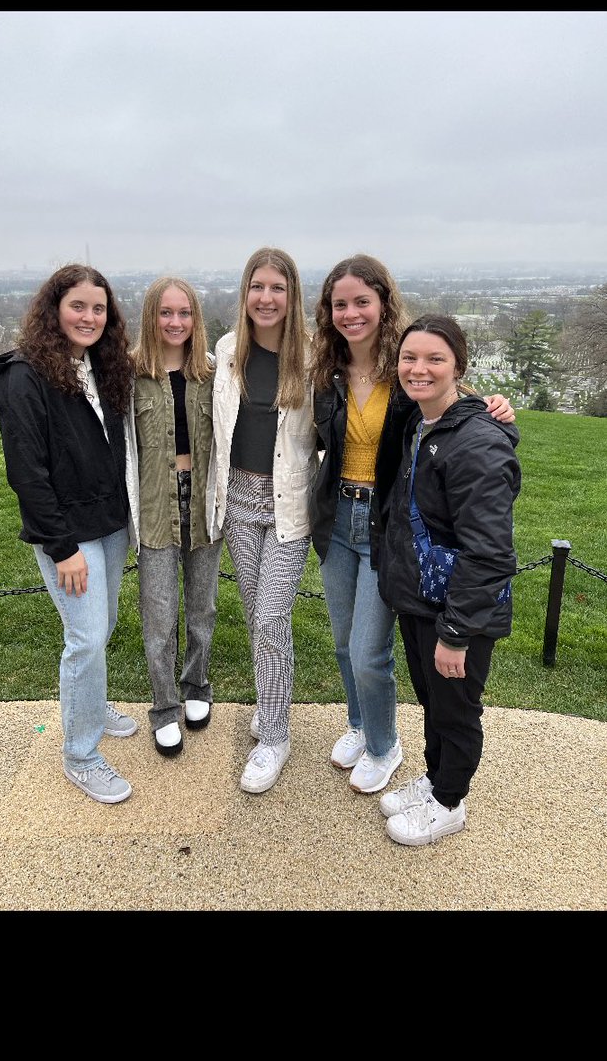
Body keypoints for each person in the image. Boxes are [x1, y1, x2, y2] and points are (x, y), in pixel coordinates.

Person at [309, 255, 515, 797]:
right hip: (337, 519)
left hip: (387, 523)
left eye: (362, 301)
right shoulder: (326, 372)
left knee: (367, 651)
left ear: (383, 303)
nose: (351, 313)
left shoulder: (405, 368)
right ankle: (361, 723)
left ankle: (384, 745)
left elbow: (448, 408)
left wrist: (492, 407)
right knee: (342, 643)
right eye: (340, 304)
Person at [0, 264, 140, 805]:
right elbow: (26, 472)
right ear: (54, 309)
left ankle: (92, 708)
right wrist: (62, 548)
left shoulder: (100, 365)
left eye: (99, 308)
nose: (89, 317)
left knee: (103, 626)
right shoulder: (24, 376)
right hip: (67, 536)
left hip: (108, 523)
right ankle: (80, 754)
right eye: (78, 306)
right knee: (85, 639)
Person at [377, 315, 520, 846]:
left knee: (456, 711)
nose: (419, 369)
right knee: (434, 702)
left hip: (458, 609)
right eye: (410, 358)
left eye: (435, 359)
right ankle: (435, 779)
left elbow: (489, 552)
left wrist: (457, 633)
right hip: (423, 597)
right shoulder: (424, 422)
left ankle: (449, 802)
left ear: (458, 366)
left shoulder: (476, 443)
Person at [207, 247, 319, 794]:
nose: (267, 298)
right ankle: (271, 704)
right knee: (257, 619)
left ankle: (275, 736)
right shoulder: (229, 349)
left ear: (292, 294)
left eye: (278, 287)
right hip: (238, 501)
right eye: (258, 286)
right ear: (245, 292)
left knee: (272, 619)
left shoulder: (314, 355)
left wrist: (474, 400)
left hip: (287, 506)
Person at [131, 276, 223, 758]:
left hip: (203, 506)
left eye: (184, 312)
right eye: (166, 312)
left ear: (195, 318)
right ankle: (164, 708)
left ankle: (196, 686)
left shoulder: (212, 373)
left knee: (202, 608)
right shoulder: (131, 375)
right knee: (160, 616)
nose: (175, 322)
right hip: (155, 508)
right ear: (151, 316)